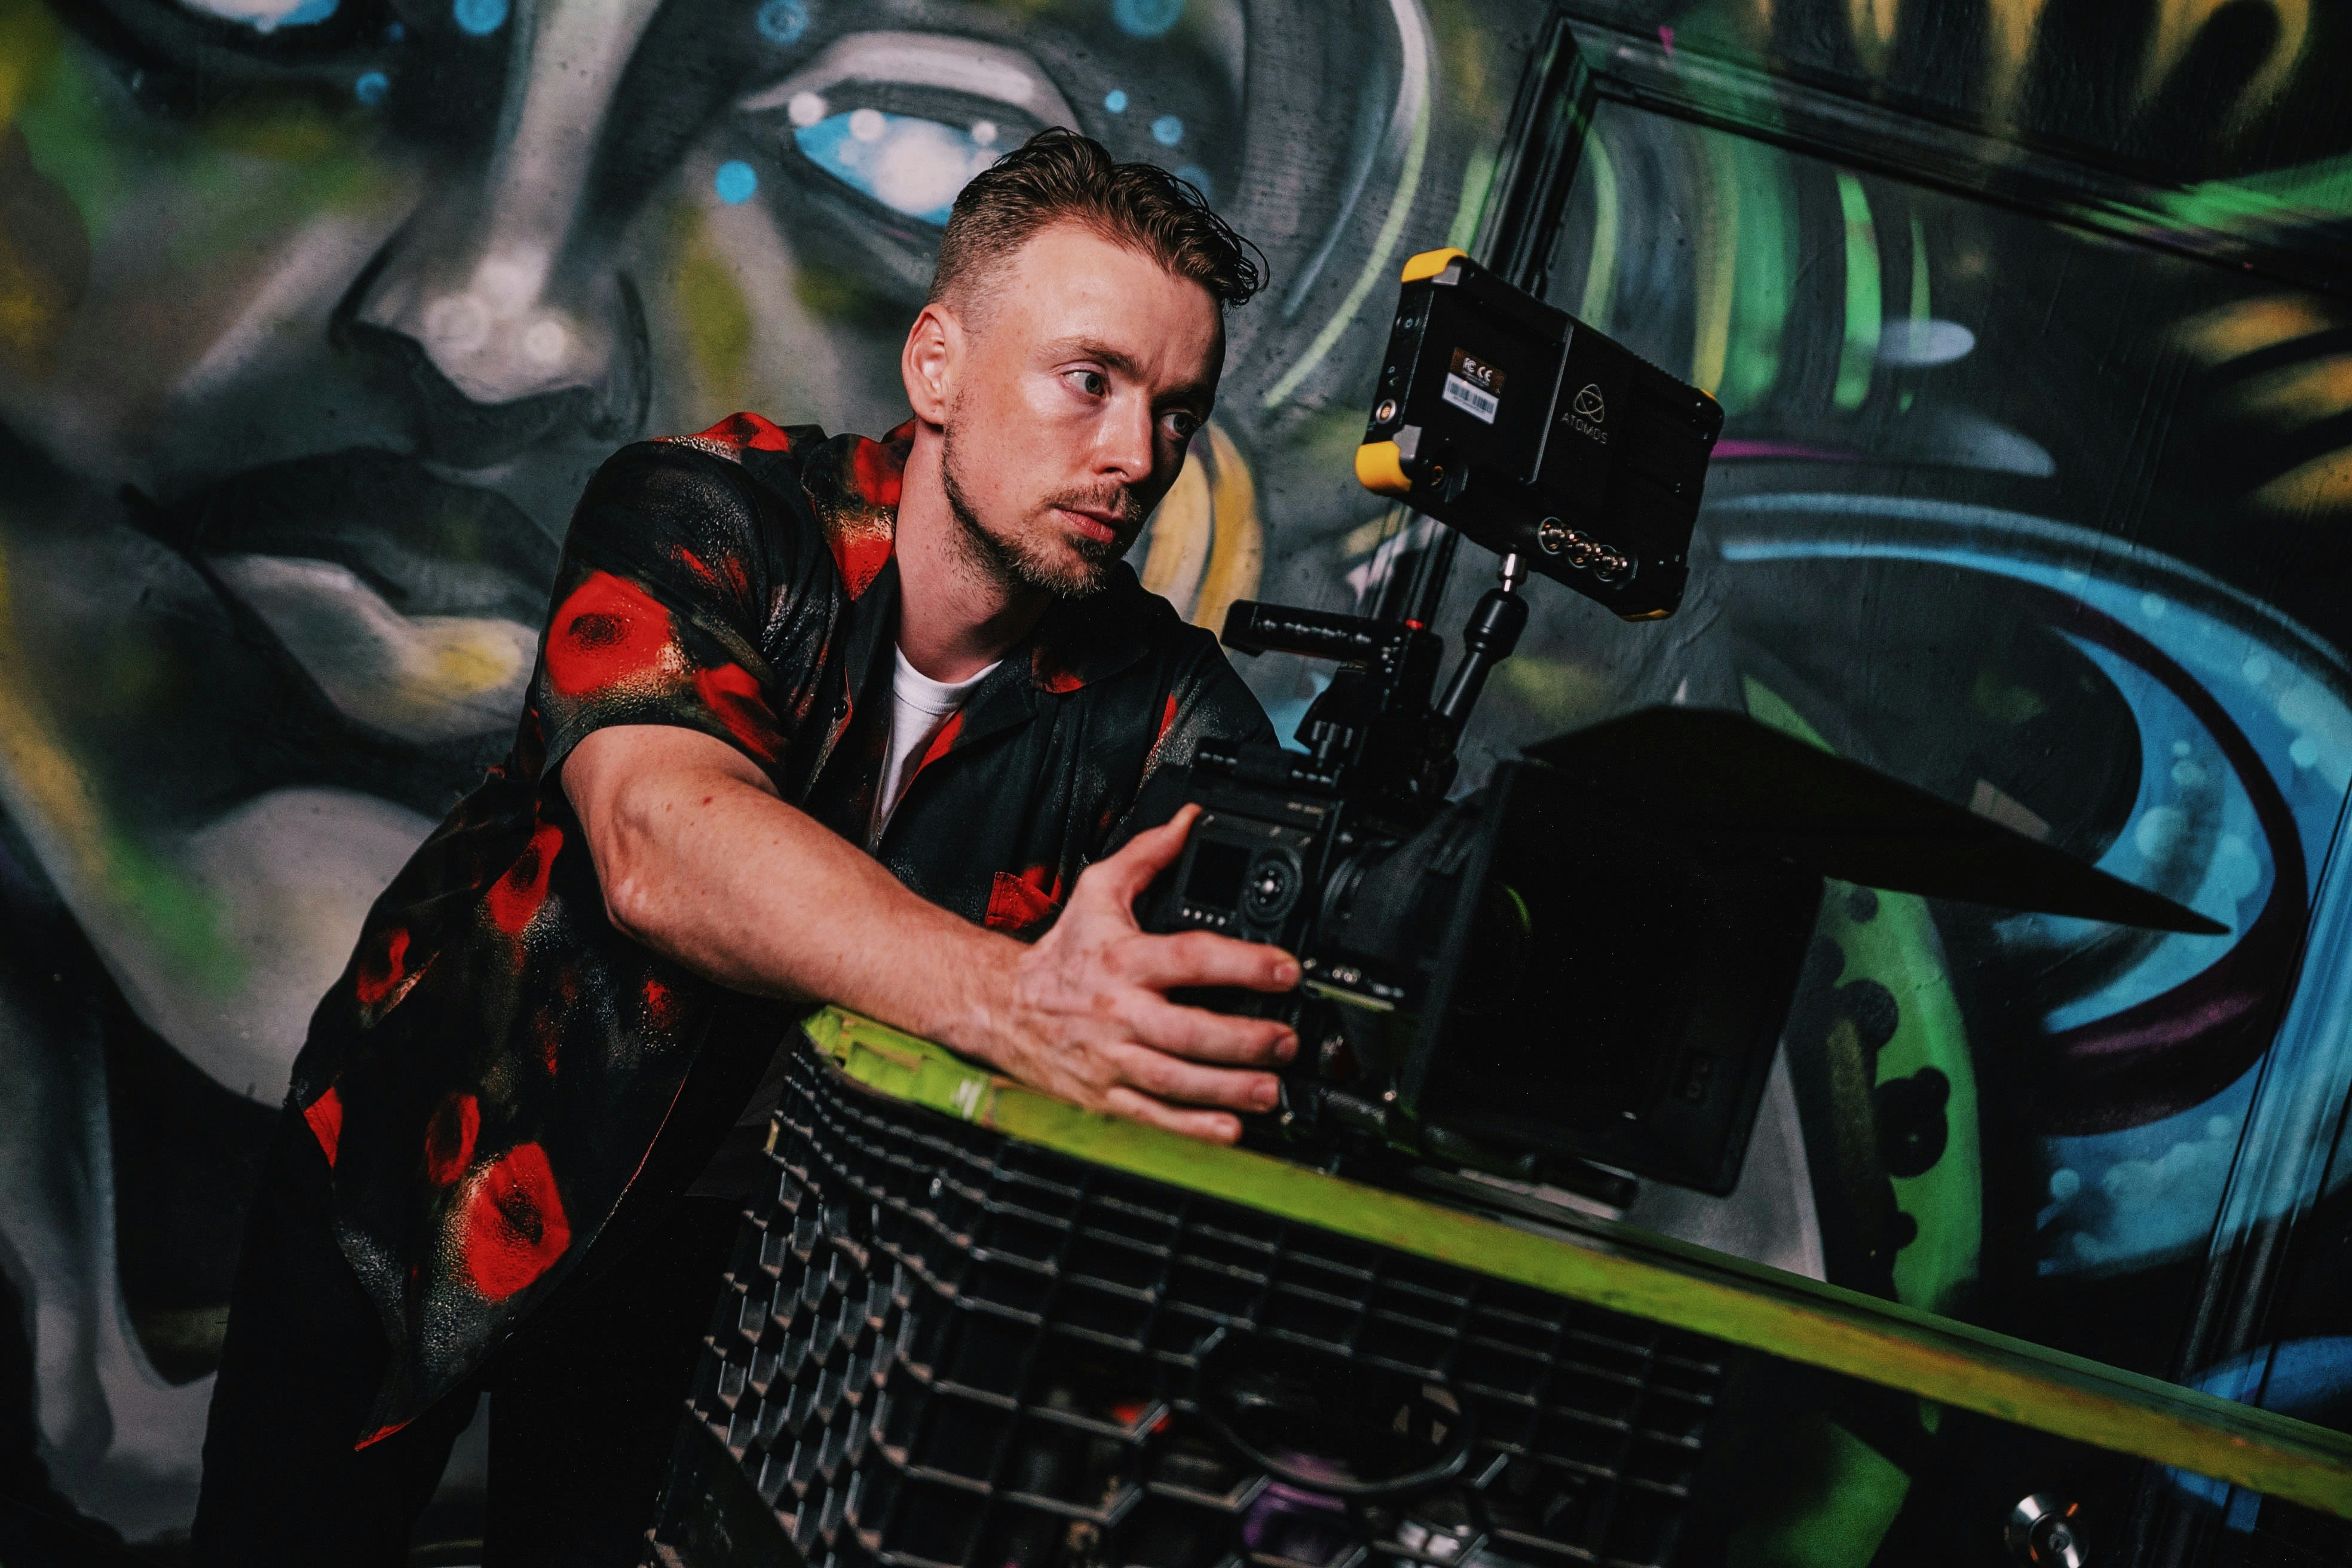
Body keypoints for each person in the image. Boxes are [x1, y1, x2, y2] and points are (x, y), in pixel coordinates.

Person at [189, 129, 1299, 1567]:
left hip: (721, 1261)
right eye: (1090, 380)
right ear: (938, 368)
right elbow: (658, 841)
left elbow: (1265, 939)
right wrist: (1020, 1002)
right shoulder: (705, 513)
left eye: (1176, 410)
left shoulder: (1163, 706)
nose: (1136, 454)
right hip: (428, 1152)